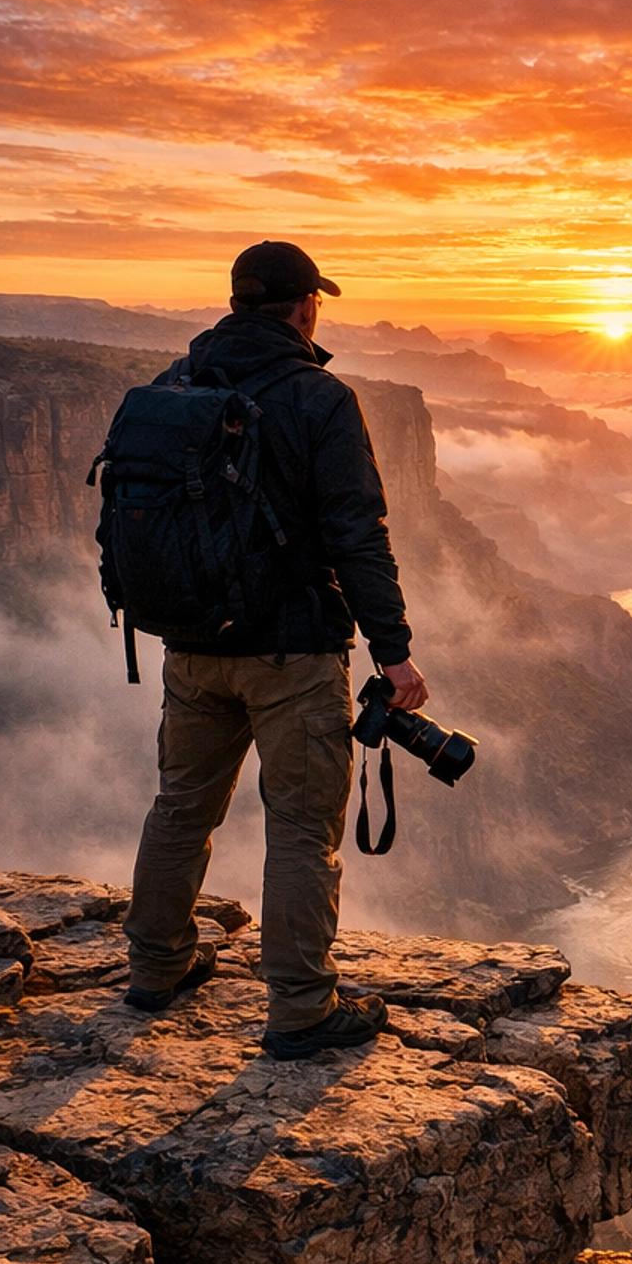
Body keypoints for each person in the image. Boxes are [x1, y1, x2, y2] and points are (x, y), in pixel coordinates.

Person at [120, 239, 428, 1059]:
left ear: (236, 302)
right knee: (300, 827)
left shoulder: (175, 387)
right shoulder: (319, 397)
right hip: (292, 654)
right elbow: (357, 533)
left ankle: (155, 967)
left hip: (191, 647)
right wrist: (393, 652)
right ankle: (300, 1007)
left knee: (181, 807)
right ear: (305, 306)